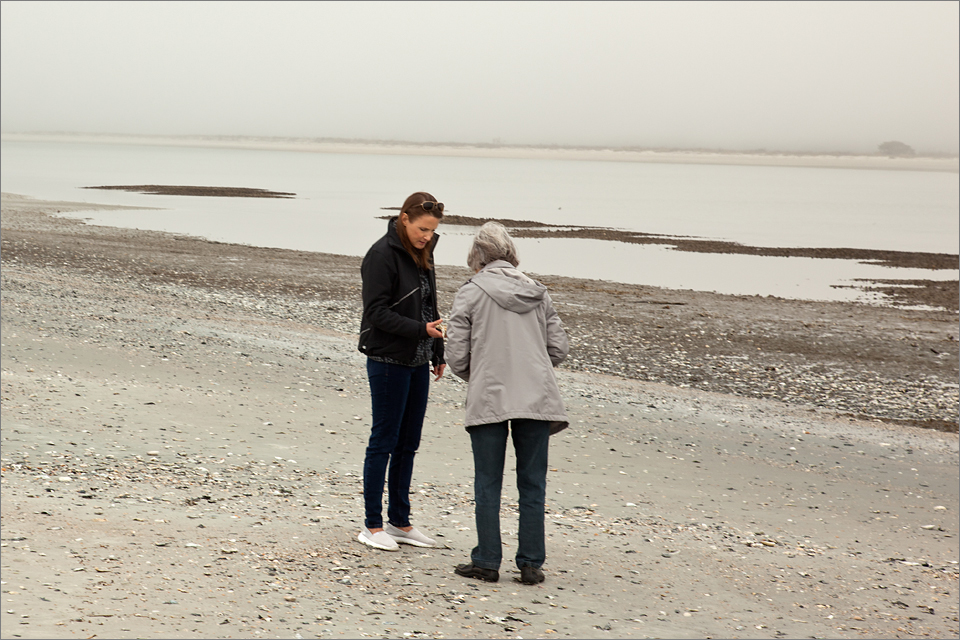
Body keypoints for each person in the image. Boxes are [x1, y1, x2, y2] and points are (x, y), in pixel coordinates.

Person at [445, 222, 569, 584]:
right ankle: (531, 563)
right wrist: (532, 366)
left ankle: (487, 560)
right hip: (536, 396)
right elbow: (559, 348)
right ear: (511, 254)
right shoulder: (537, 291)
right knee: (532, 483)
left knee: (488, 481)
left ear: (477, 257)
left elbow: (455, 357)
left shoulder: (469, 293)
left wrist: (481, 372)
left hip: (489, 394)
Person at [356, 192, 446, 551]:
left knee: (408, 444)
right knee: (383, 442)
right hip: (387, 360)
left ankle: (400, 522)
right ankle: (371, 526)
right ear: (404, 219)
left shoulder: (424, 253)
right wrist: (420, 331)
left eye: (432, 230)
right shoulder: (381, 255)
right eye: (422, 229)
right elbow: (375, 313)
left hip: (418, 361)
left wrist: (437, 350)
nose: (427, 235)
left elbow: (429, 307)